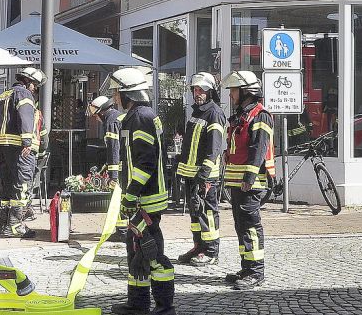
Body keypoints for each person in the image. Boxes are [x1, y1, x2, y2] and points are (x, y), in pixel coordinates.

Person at [107, 68, 175, 315]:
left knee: (152, 253)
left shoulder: (140, 118)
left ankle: (165, 307)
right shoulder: (140, 116)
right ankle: (137, 303)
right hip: (143, 199)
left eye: (117, 93)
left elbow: (145, 163)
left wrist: (131, 195)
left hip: (146, 200)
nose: (115, 98)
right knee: (137, 252)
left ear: (128, 94)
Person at [221, 70, 275, 290]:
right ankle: (247, 267)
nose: (231, 95)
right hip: (237, 181)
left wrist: (249, 177)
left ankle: (256, 271)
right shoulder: (242, 115)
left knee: (251, 226)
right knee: (241, 226)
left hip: (250, 183)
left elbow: (259, 149)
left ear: (246, 92)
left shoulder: (260, 115)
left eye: (234, 90)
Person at [0, 67, 45, 238]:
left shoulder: (5, 94)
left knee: (7, 184)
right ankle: (15, 226)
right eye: (35, 85)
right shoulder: (25, 95)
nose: (35, 89)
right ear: (30, 83)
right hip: (18, 146)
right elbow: (25, 116)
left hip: (1, 145)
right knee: (22, 184)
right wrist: (27, 140)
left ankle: (4, 226)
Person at [175, 72, 226, 266]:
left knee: (208, 213)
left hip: (205, 176)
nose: (198, 93)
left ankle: (211, 251)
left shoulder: (214, 112)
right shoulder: (197, 112)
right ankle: (199, 246)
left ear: (210, 91)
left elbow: (214, 147)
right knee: (195, 214)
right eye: (195, 90)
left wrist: (204, 174)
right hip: (191, 174)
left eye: (201, 90)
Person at [88, 94, 128, 239]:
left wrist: (113, 175)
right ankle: (124, 230)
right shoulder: (118, 116)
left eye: (96, 114)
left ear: (101, 111)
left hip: (122, 168)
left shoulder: (110, 122)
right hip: (127, 164)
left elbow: (114, 148)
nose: (96, 118)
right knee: (124, 197)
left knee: (117, 197)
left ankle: (122, 231)